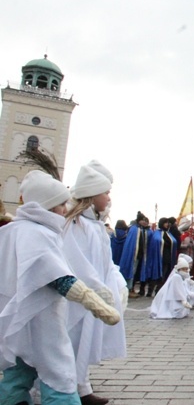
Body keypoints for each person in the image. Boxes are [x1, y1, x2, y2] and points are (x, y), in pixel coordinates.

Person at [0, 170, 120, 405]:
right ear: (48, 205)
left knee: (18, 368)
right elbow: (59, 278)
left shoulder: (10, 231)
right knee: (59, 371)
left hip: (14, 317)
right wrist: (95, 302)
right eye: (60, 205)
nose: (64, 209)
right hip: (42, 316)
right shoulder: (39, 233)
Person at [63, 163, 128, 405]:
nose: (109, 197)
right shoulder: (76, 224)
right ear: (92, 194)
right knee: (72, 339)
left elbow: (105, 262)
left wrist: (116, 283)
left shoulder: (94, 225)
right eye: (105, 192)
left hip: (92, 295)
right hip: (80, 296)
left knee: (83, 341)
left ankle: (81, 386)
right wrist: (98, 289)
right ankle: (67, 389)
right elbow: (77, 262)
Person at [119, 211, 151, 298]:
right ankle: (128, 289)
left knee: (134, 272)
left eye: (146, 221)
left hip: (139, 255)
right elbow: (131, 243)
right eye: (143, 220)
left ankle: (130, 288)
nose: (145, 222)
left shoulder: (143, 230)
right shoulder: (134, 229)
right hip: (133, 255)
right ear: (139, 220)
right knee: (130, 271)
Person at [146, 217, 178, 296]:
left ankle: (159, 291)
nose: (167, 224)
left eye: (168, 223)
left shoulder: (169, 233)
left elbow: (174, 242)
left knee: (164, 275)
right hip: (158, 258)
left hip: (167, 258)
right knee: (156, 274)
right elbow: (154, 243)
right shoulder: (156, 233)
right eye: (165, 222)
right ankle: (150, 291)